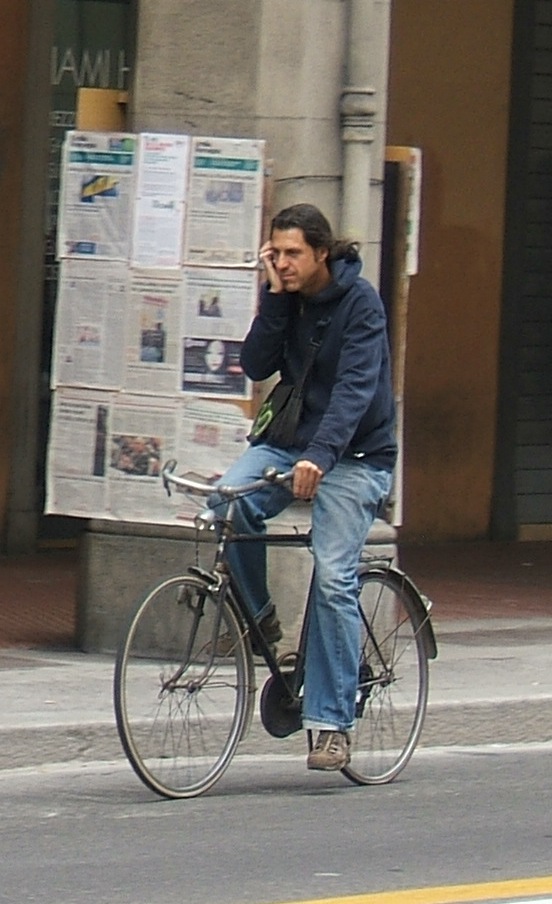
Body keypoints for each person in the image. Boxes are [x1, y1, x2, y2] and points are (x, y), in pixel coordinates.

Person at [209, 203, 397, 772]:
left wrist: (322, 455)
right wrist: (273, 298)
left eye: (293, 254)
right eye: (277, 253)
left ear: (322, 252)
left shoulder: (361, 304)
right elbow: (255, 364)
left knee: (335, 577)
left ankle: (332, 726)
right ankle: (262, 617)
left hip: (354, 456)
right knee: (226, 503)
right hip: (291, 442)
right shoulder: (285, 297)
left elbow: (355, 390)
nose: (284, 263)